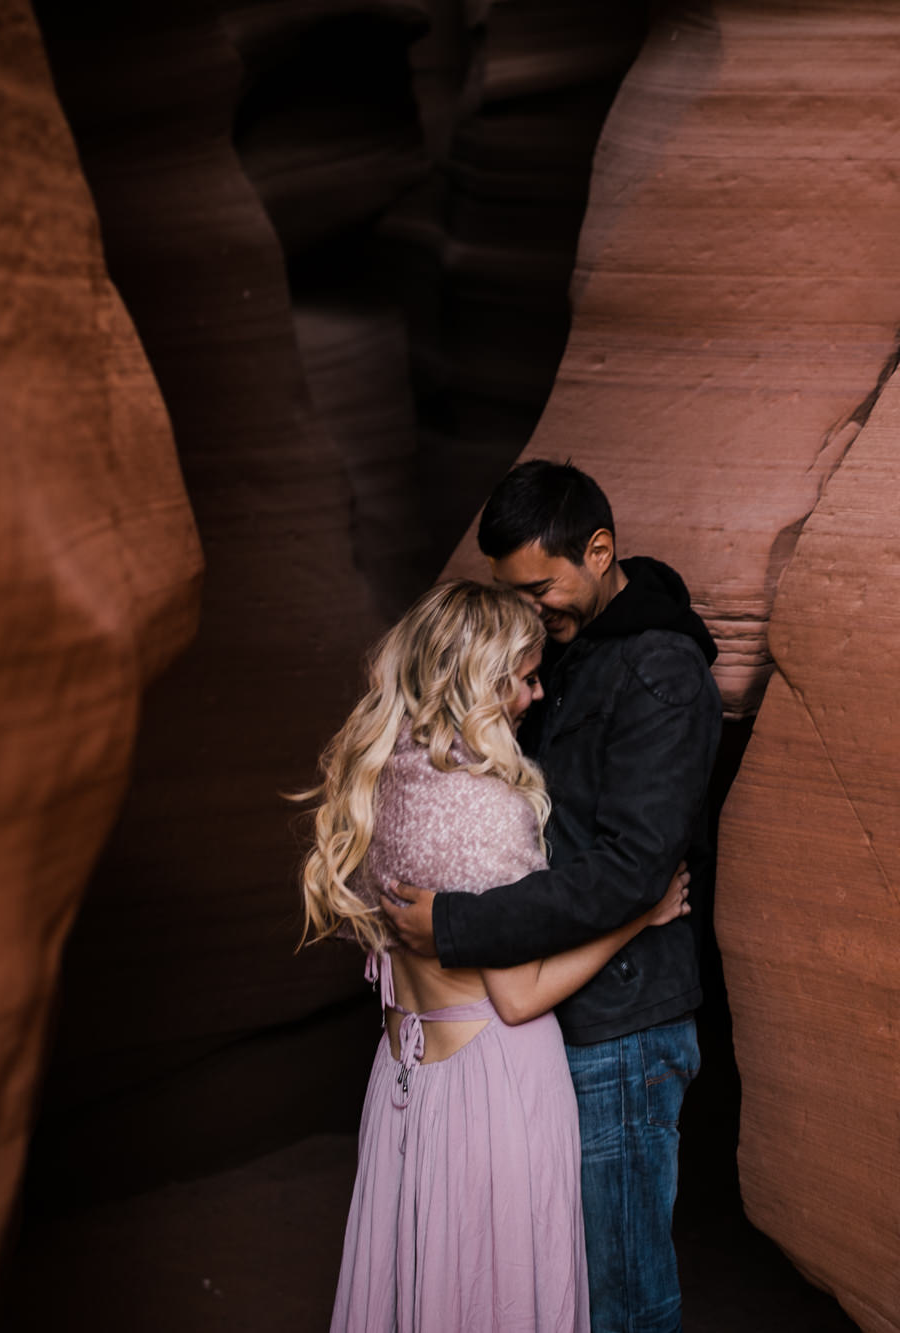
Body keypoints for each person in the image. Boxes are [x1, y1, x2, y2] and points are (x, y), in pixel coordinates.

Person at [298, 579, 692, 1333]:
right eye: (523, 676)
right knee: (495, 1294)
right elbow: (517, 996)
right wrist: (641, 914)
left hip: (405, 1082)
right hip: (493, 1088)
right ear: (478, 679)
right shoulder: (487, 808)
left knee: (423, 1286)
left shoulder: (375, 780)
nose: (536, 694)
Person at [383, 461, 722, 1333]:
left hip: (624, 1027)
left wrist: (455, 924)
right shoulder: (564, 653)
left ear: (599, 550)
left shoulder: (661, 672)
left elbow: (631, 868)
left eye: (540, 586)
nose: (530, 609)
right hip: (551, 1013)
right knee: (557, 1287)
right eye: (513, 592)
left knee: (620, 1294)